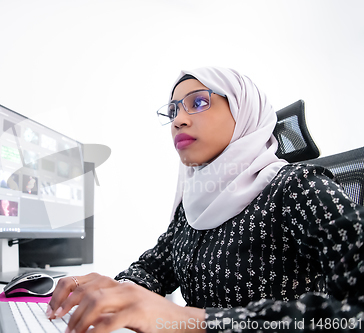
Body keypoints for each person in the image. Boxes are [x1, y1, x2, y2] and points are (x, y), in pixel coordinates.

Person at [46, 67, 364, 332]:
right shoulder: (193, 204)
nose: (178, 120)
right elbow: (156, 269)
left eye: (197, 103)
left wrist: (194, 320)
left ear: (242, 111)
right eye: (172, 110)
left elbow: (355, 313)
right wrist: (112, 291)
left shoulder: (299, 188)